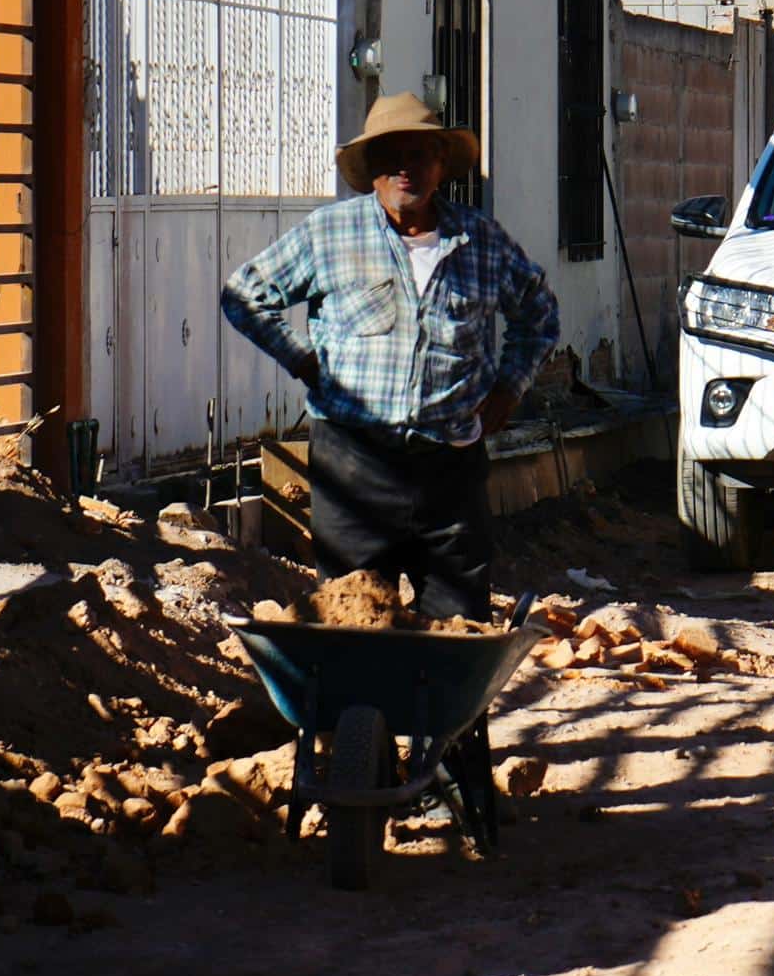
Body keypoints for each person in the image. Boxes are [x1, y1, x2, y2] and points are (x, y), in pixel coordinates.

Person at [220, 89, 563, 649]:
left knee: (458, 635)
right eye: (391, 155)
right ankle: (354, 736)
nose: (406, 167)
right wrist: (302, 359)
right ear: (372, 169)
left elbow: (539, 315)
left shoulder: (481, 241)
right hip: (354, 469)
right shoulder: (330, 235)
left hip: (450, 471)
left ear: (441, 166)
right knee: (351, 627)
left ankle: (452, 737)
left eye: (421, 153)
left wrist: (507, 389)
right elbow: (244, 295)